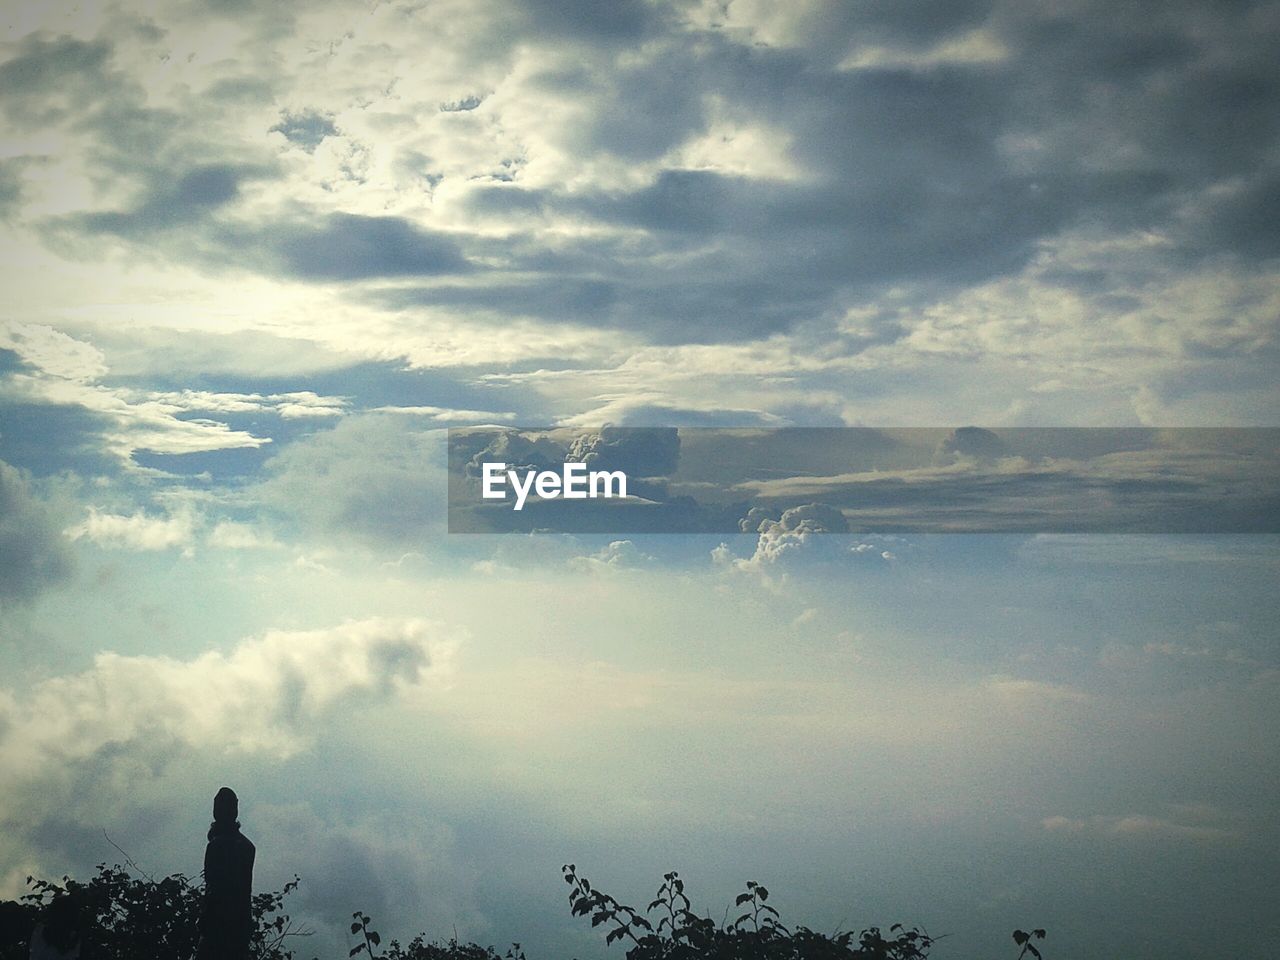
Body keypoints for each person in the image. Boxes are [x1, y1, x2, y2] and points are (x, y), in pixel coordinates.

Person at [196, 787, 255, 960]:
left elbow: (213, 889)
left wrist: (205, 921)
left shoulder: (216, 846)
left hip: (218, 925)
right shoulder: (247, 846)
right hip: (241, 925)